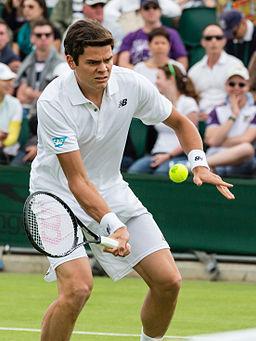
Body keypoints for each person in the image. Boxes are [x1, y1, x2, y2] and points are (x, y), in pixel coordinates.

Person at [29, 19, 234, 341]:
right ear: (71, 62)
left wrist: (199, 163)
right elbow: (77, 181)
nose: (104, 69)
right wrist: (114, 225)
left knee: (168, 282)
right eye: (93, 63)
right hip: (55, 196)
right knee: (77, 289)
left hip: (111, 188)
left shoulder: (131, 84)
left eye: (108, 59)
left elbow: (180, 122)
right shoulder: (53, 102)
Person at [128, 63, 199, 175]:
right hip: (156, 154)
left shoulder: (188, 103)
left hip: (179, 156)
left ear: (170, 79)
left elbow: (191, 135)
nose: (156, 82)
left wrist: (168, 155)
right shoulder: (161, 102)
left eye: (159, 78)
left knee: (161, 172)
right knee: (134, 170)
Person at [205, 64, 256, 177]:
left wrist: (220, 141)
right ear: (226, 86)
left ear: (247, 87)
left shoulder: (254, 111)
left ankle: (200, 164)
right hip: (216, 156)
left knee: (247, 149)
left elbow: (246, 139)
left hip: (241, 161)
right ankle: (205, 165)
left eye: (241, 84)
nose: (236, 88)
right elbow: (212, 141)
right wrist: (234, 115)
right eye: (232, 84)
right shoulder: (217, 110)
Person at [188, 23, 244, 122]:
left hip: (230, 118)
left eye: (218, 37)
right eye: (209, 38)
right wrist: (195, 113)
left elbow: (242, 93)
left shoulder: (236, 65)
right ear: (202, 42)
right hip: (201, 120)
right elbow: (190, 98)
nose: (214, 41)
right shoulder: (194, 71)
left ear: (224, 41)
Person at [118, 0, 188, 70]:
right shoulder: (131, 36)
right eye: (146, 8)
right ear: (140, 11)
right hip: (138, 76)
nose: (151, 10)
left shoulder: (172, 34)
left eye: (155, 7)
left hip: (165, 75)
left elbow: (182, 60)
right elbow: (123, 63)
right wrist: (143, 73)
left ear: (160, 11)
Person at [15, 19, 63, 117]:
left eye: (47, 34)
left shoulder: (61, 65)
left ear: (53, 37)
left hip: (51, 114)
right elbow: (21, 96)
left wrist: (31, 94)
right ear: (32, 38)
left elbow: (58, 98)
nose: (43, 38)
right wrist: (36, 94)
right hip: (26, 112)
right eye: (39, 35)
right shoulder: (26, 63)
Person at [0, 63, 23, 164]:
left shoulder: (15, 103)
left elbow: (12, 136)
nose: (10, 84)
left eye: (10, 80)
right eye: (5, 80)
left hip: (7, 156)